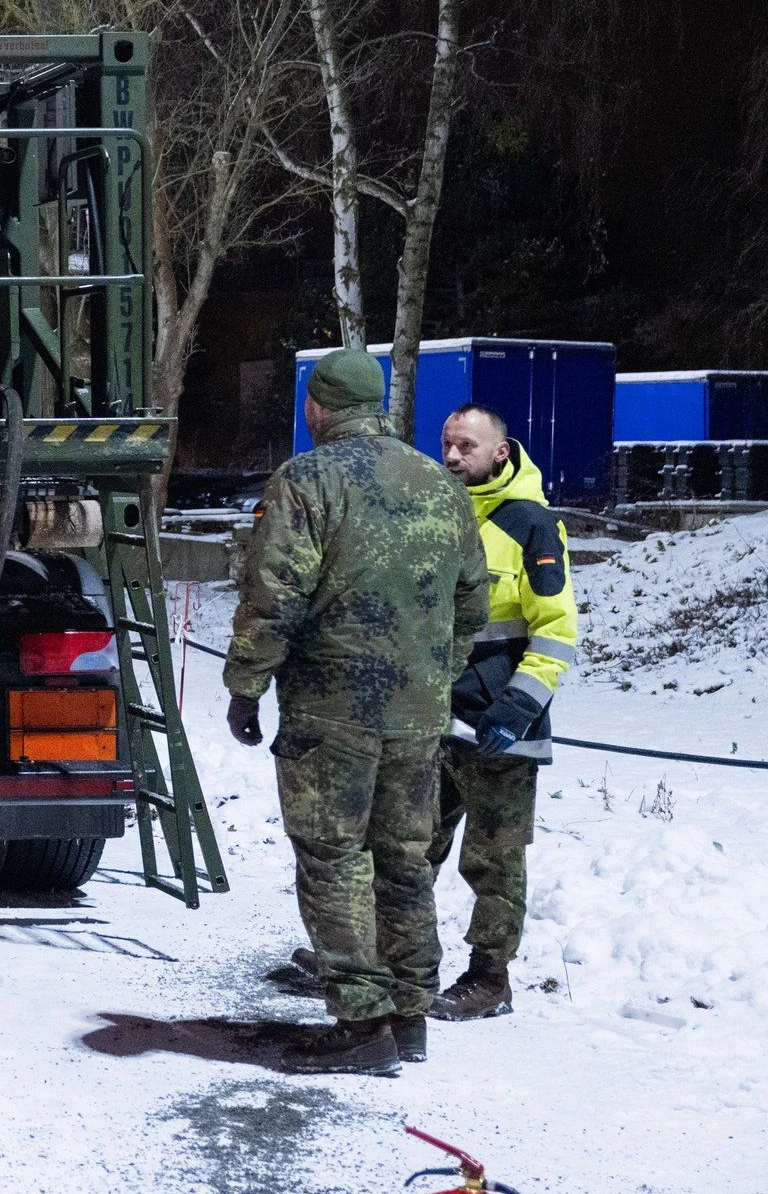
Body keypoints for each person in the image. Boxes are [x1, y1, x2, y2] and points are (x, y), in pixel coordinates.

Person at [225, 346, 491, 1076]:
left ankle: (361, 1021)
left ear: (319, 407)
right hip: (418, 711)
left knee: (334, 856)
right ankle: (410, 1016)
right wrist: (436, 670)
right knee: (405, 861)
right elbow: (474, 599)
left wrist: (246, 684)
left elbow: (274, 594)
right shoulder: (440, 485)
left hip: (330, 711)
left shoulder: (306, 481)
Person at [428, 403, 579, 1022]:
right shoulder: (434, 515)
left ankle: (491, 979)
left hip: (500, 730)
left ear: (500, 451)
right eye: (447, 445)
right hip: (433, 722)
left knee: (492, 860)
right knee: (405, 847)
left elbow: (557, 629)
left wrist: (517, 706)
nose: (454, 456)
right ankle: (390, 965)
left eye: (467, 446)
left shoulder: (532, 525)